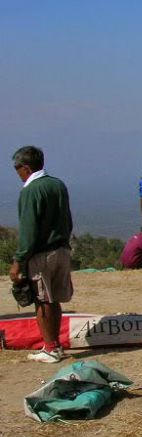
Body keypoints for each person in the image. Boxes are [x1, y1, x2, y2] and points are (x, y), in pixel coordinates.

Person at [10, 146, 74, 363]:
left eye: (17, 168)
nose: (17, 172)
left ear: (25, 167)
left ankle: (50, 348)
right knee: (54, 299)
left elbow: (29, 230)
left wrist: (19, 260)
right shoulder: (58, 185)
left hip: (42, 253)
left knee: (42, 300)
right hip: (62, 249)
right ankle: (55, 344)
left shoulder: (31, 190)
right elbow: (67, 219)